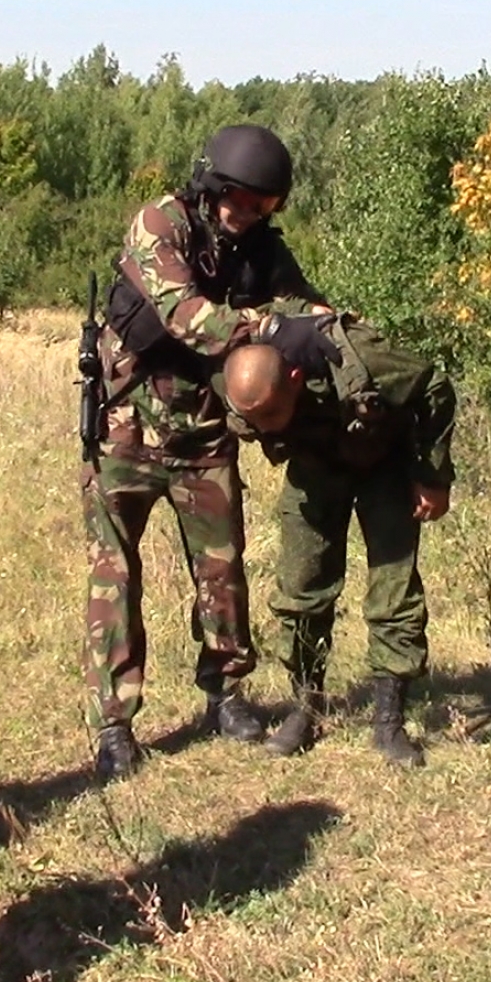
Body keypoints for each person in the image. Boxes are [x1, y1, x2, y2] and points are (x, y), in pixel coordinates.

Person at [85, 123, 339, 782]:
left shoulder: (258, 249)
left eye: (265, 206)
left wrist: (327, 329)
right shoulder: (158, 224)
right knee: (115, 576)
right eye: (242, 200)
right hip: (125, 430)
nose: (249, 215)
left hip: (202, 432)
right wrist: (273, 327)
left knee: (222, 569)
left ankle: (223, 693)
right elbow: (188, 317)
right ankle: (115, 723)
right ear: (214, 186)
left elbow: (306, 307)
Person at [221, 316, 455, 766]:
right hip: (316, 469)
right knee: (300, 589)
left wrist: (433, 476)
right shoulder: (246, 383)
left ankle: (389, 721)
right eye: (255, 419)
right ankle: (305, 708)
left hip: (385, 462)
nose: (265, 427)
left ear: (294, 379)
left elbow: (435, 385)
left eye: (271, 413)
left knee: (394, 590)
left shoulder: (364, 361)